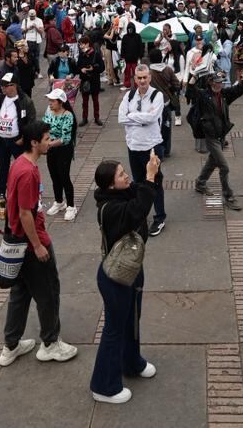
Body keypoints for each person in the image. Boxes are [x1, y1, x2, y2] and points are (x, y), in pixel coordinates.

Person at [0, 120, 79, 367]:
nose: (49, 141)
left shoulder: (20, 164)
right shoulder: (28, 172)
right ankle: (50, 343)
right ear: (34, 142)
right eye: (46, 138)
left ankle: (11, 345)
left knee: (20, 292)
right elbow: (25, 213)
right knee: (48, 291)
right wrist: (38, 245)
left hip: (17, 239)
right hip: (31, 242)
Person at [89, 155, 160, 404]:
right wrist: (150, 177)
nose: (126, 176)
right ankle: (103, 386)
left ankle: (131, 362)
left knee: (132, 320)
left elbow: (143, 192)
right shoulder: (110, 209)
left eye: (123, 171)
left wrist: (152, 171)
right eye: (121, 174)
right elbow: (137, 211)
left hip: (131, 269)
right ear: (110, 185)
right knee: (114, 329)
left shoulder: (122, 193)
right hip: (115, 277)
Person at [118, 66, 167, 235]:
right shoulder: (129, 95)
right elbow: (121, 117)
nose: (142, 81)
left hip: (151, 147)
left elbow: (152, 118)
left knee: (155, 183)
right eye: (139, 78)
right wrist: (142, 119)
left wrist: (132, 116)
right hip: (133, 146)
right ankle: (140, 216)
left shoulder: (157, 95)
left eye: (145, 77)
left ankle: (160, 218)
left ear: (150, 77)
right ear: (135, 78)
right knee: (138, 183)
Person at [188, 70, 243, 210]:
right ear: (210, 83)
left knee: (212, 161)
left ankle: (200, 183)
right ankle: (228, 196)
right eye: (216, 82)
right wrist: (193, 77)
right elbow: (190, 91)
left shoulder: (224, 95)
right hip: (211, 136)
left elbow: (237, 90)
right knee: (224, 167)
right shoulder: (204, 96)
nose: (219, 85)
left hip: (221, 134)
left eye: (221, 83)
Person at [0, 72, 36, 210]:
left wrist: (23, 138)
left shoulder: (25, 101)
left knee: (23, 171)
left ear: (14, 86)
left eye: (5, 85)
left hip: (17, 142)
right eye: (1, 85)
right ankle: (0, 197)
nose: (2, 88)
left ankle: (26, 197)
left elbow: (31, 122)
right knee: (2, 169)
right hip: (1, 141)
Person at [42, 87, 79, 221]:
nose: (50, 103)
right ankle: (59, 201)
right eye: (49, 101)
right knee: (54, 176)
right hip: (51, 148)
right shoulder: (49, 112)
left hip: (63, 150)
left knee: (64, 176)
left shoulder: (67, 115)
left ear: (60, 102)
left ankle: (71, 205)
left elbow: (66, 138)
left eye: (52, 101)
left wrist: (49, 143)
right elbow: (44, 127)